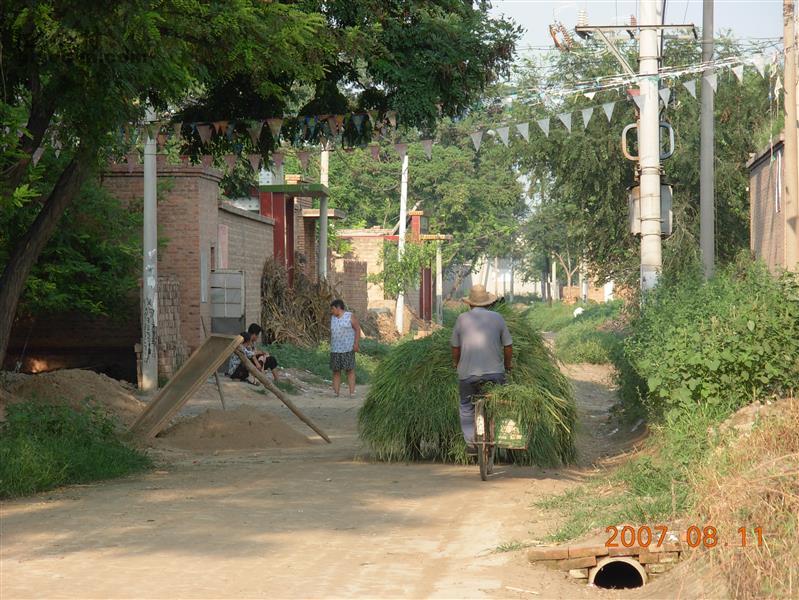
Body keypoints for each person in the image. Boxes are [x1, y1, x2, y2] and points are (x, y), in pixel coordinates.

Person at [450, 285, 513, 453]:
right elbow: (508, 346)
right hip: (496, 374)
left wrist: (456, 364)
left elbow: (455, 348)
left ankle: (471, 443)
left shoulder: (462, 319)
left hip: (468, 375)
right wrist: (507, 365)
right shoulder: (498, 318)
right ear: (488, 303)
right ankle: (499, 432)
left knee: (466, 405)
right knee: (500, 402)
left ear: (470, 304)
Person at [329, 299, 360, 397]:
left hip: (348, 348)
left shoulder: (349, 316)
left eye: (333, 309)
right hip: (335, 349)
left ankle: (352, 392)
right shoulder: (333, 318)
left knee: (349, 370)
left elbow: (357, 329)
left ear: (338, 308)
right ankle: (336, 392)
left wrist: (356, 344)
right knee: (336, 371)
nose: (332, 311)